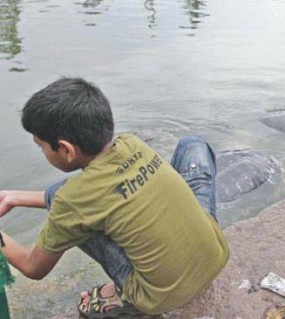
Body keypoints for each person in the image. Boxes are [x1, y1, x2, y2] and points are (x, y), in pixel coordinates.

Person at [0, 78, 229, 317]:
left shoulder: (72, 202)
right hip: (216, 255)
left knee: (74, 214)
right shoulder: (131, 143)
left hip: (160, 296)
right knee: (192, 144)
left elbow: (32, 267)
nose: (42, 151)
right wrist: (14, 197)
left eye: (41, 146)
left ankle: (124, 297)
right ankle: (193, 242)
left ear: (66, 150)